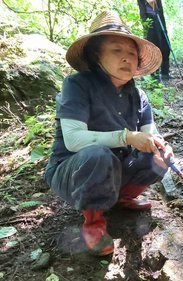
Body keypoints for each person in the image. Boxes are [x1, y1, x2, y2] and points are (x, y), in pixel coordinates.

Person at [44, 10, 174, 256]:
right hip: (74, 171)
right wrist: (125, 137)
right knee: (99, 155)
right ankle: (93, 221)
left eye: (132, 54)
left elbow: (150, 134)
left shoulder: (139, 96)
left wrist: (160, 147)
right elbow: (73, 140)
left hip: (116, 168)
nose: (126, 58)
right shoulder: (77, 85)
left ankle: (121, 198)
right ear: (96, 55)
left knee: (159, 157)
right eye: (117, 50)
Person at [138, 0, 171, 81]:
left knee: (165, 47)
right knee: (153, 48)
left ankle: (165, 74)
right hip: (149, 20)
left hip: (159, 17)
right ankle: (155, 77)